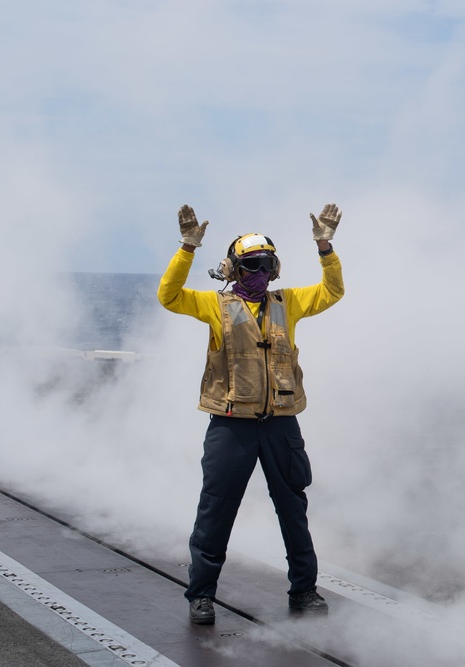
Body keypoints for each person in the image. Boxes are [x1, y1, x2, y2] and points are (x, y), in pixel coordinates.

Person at [157, 202, 345, 624]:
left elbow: (332, 291)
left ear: (275, 269)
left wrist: (325, 246)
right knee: (216, 509)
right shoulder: (214, 306)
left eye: (266, 264)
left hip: (281, 425)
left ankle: (304, 592)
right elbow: (168, 296)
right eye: (250, 265)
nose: (259, 272)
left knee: (293, 509)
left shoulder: (289, 303)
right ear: (233, 269)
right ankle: (201, 595)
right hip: (230, 427)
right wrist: (186, 248)